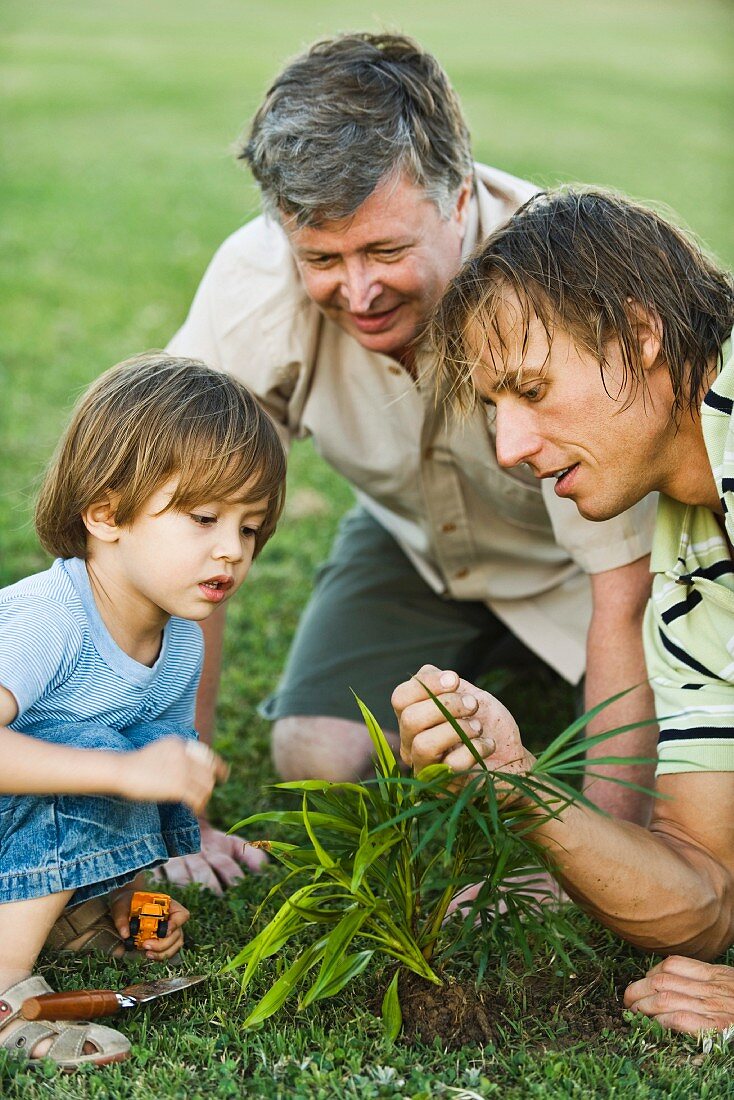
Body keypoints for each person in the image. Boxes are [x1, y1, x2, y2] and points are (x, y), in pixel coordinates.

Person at [165, 32, 659, 894]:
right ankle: (487, 667)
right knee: (314, 754)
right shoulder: (252, 285)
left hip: (594, 567)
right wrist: (178, 809)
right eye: (322, 258)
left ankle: (533, 681)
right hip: (414, 544)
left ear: (460, 196)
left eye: (385, 252)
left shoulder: (560, 287)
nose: (356, 294)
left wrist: (599, 872)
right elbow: (183, 537)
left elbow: (626, 593)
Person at [393, 187, 734, 1035]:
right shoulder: (690, 550)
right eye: (495, 409)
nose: (510, 448)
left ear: (639, 333)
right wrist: (515, 782)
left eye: (534, 390)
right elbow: (705, 898)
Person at [0, 352, 286, 1067]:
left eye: (250, 528)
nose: (233, 550)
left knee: (138, 751)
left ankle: (71, 916)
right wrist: (125, 774)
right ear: (105, 513)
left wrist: (121, 893)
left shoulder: (179, 642)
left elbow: (127, 768)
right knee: (108, 754)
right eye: (204, 517)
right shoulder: (48, 619)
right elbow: (102, 768)